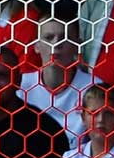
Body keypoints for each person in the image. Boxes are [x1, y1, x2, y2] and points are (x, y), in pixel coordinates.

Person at [20, 16, 98, 149]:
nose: (56, 44)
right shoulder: (20, 86)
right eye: (49, 38)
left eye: (64, 38)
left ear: (77, 45)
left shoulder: (94, 87)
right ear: (36, 46)